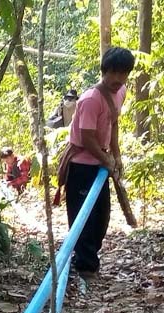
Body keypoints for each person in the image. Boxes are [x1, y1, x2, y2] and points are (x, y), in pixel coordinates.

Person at [55, 47, 135, 279]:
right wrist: (107, 159)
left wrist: (116, 155)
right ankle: (85, 266)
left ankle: (89, 259)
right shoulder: (91, 99)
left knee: (101, 216)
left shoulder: (120, 93)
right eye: (114, 73)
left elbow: (113, 124)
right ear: (104, 71)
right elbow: (87, 138)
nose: (118, 79)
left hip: (100, 163)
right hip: (82, 166)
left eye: (123, 74)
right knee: (82, 217)